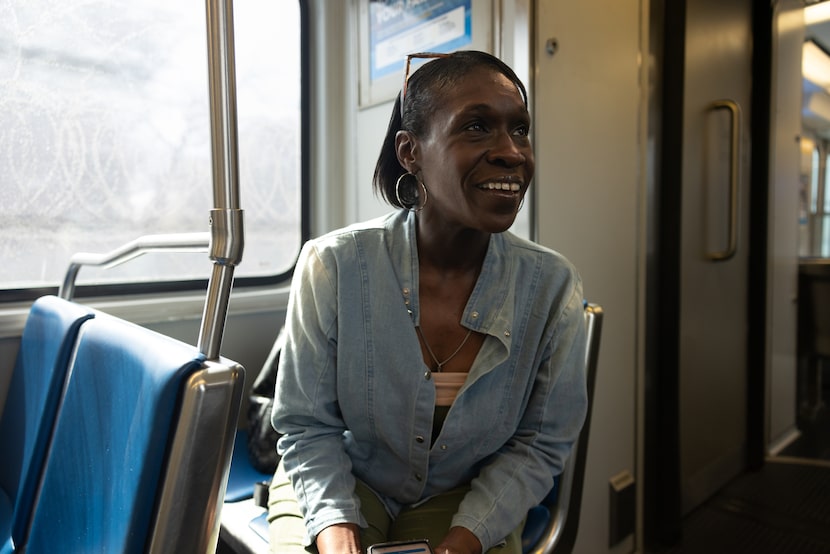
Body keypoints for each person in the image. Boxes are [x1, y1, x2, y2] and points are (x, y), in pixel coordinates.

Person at [267, 50, 587, 554]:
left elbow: (538, 445)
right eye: (477, 127)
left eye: (519, 130)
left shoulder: (551, 287)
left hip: (466, 496)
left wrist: (462, 542)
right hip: (348, 478)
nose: (512, 152)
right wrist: (337, 536)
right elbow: (307, 427)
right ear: (410, 151)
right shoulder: (333, 265)